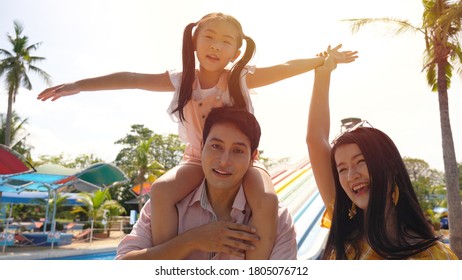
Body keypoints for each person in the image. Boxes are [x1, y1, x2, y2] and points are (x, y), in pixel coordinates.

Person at [37, 12, 356, 259]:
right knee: (161, 190)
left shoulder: (239, 78)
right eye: (210, 37)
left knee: (268, 199)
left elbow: (286, 66)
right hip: (195, 158)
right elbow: (131, 78)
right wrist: (79, 85)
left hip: (242, 161)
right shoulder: (181, 81)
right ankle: (170, 263)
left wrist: (322, 61)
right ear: (195, 41)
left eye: (227, 41)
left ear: (235, 52)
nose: (216, 45)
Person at [306, 48, 458, 260]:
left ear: (391, 167)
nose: (351, 175)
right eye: (342, 169)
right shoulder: (345, 234)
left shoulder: (433, 256)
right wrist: (323, 73)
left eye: (360, 162)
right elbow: (315, 141)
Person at [115, 106, 297, 260]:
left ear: (253, 157)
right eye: (216, 146)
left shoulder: (276, 219)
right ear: (201, 146)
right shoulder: (167, 203)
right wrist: (191, 241)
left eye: (238, 150)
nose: (224, 161)